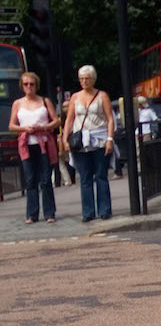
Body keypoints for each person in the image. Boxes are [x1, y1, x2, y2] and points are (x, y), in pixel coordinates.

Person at [61, 65, 115, 222]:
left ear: (93, 79)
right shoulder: (75, 98)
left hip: (99, 139)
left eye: (87, 78)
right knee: (85, 178)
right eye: (82, 79)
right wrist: (65, 139)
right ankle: (88, 212)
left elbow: (110, 118)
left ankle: (105, 210)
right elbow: (69, 120)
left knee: (101, 176)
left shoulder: (101, 96)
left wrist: (110, 139)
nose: (84, 81)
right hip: (80, 142)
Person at [9, 70, 59, 224]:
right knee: (30, 180)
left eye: (31, 84)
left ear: (36, 85)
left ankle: (49, 212)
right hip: (27, 144)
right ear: (22, 86)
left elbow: (56, 121)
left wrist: (43, 127)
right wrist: (25, 129)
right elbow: (12, 126)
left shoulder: (44, 101)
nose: (29, 87)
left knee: (45, 179)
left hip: (43, 143)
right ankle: (32, 214)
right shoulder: (18, 103)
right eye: (26, 84)